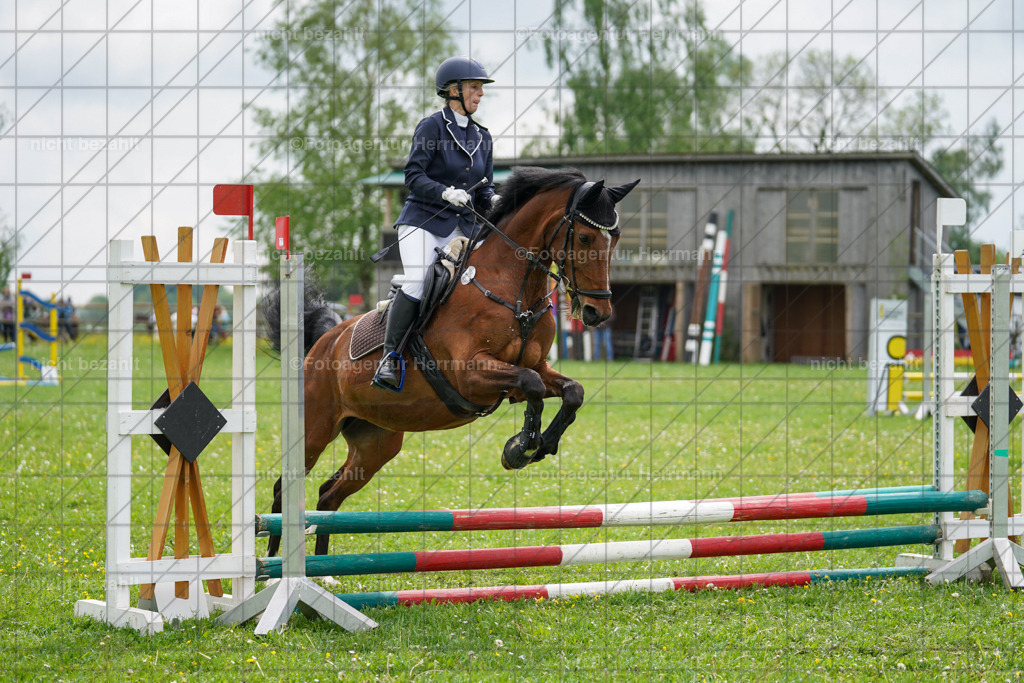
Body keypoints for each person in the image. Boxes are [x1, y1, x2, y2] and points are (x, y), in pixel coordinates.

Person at [373, 56, 498, 390]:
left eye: (481, 88)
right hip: (424, 221)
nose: (480, 94)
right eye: (475, 87)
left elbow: (484, 188)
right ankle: (391, 358)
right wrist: (445, 193)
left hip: (464, 226)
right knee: (418, 279)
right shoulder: (431, 127)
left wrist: (496, 200)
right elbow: (413, 175)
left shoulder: (483, 137)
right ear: (453, 90)